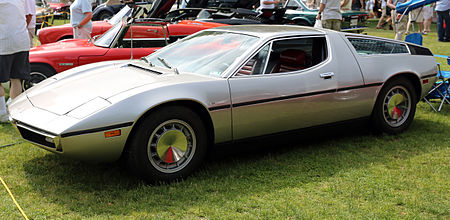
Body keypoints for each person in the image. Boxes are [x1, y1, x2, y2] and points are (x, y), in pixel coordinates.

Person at [0, 0, 31, 123]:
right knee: (16, 79)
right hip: (21, 41)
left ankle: (2, 114)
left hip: (4, 42)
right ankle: (15, 113)